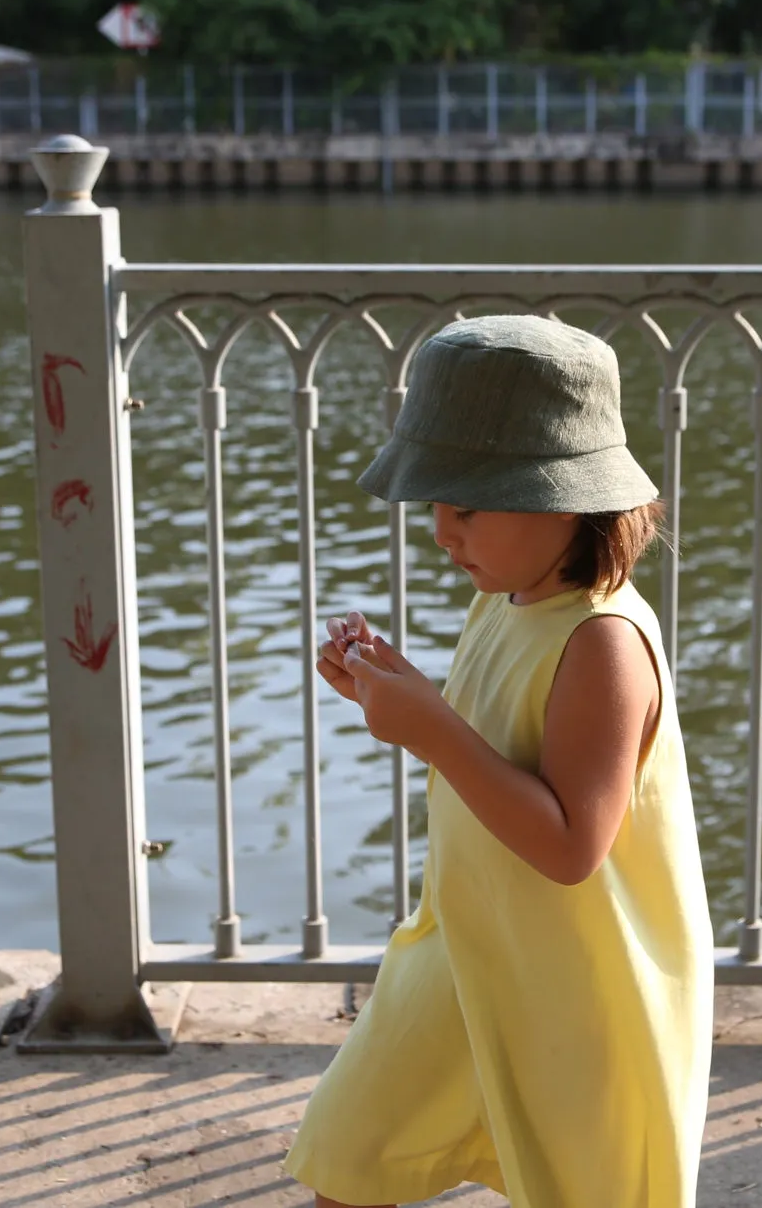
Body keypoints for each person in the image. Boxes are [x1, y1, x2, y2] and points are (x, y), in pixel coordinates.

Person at [283, 315, 714, 1208]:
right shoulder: (509, 598)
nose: (442, 528)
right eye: (436, 501)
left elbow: (570, 847)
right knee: (348, 1153)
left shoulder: (603, 640)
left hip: (575, 980)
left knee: (575, 1184)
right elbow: (491, 739)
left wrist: (431, 727)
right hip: (464, 946)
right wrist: (391, 687)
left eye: (469, 504)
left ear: (562, 496)